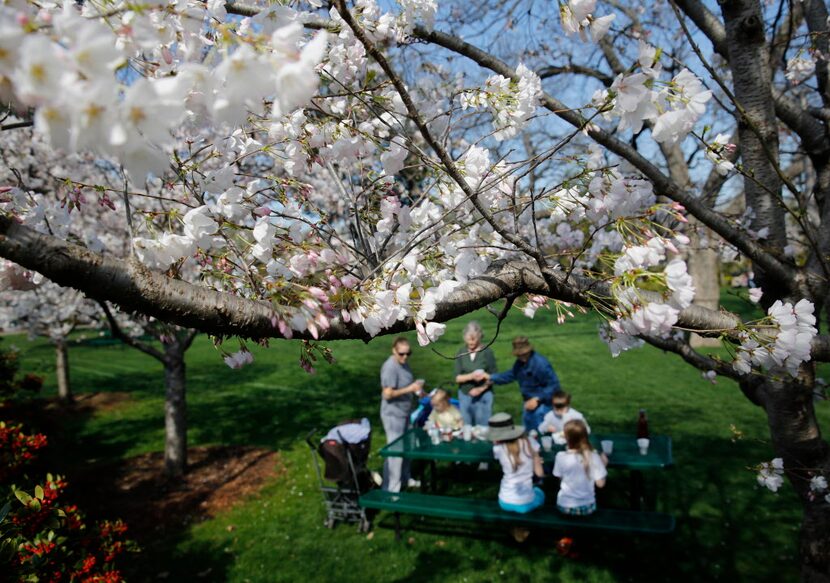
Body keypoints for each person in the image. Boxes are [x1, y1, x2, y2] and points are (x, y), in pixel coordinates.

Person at [481, 336, 561, 432]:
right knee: (528, 434)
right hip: (528, 403)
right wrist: (491, 377)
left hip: (542, 405)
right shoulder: (520, 363)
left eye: (524, 354)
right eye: (519, 355)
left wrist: (537, 399)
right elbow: (512, 374)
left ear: (529, 351)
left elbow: (554, 385)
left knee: (541, 433)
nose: (521, 357)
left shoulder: (541, 364)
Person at [489, 412, 545, 542]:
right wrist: (536, 458)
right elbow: (540, 474)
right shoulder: (530, 442)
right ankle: (523, 528)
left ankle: (517, 528)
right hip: (526, 503)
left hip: (504, 500)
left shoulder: (498, 449)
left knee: (521, 501)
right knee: (539, 493)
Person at [380, 336, 424, 492]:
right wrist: (410, 389)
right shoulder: (390, 367)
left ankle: (405, 478)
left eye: (408, 353)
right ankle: (391, 489)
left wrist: (418, 390)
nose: (405, 357)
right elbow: (387, 394)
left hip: (405, 412)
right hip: (393, 415)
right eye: (401, 354)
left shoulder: (404, 364)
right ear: (394, 351)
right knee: (395, 452)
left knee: (407, 447)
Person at [552, 419, 608, 516]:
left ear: (566, 438)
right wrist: (603, 465)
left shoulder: (560, 456)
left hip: (564, 506)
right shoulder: (593, 456)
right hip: (587, 507)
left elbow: (559, 477)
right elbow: (600, 484)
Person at [454, 321, 497, 427]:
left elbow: (494, 375)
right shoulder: (461, 352)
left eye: (474, 339)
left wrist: (480, 389)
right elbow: (457, 377)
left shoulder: (487, 352)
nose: (471, 342)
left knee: (483, 427)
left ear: (480, 336)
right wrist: (472, 376)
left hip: (483, 394)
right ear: (464, 337)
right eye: (469, 339)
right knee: (467, 427)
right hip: (465, 394)